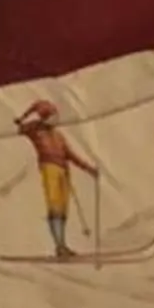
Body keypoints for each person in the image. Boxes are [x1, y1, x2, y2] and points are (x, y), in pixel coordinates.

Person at [16, 96, 100, 258]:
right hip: (50, 168)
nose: (57, 119)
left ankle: (62, 245)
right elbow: (22, 127)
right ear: (46, 117)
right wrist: (23, 118)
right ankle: (59, 246)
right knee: (54, 206)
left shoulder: (58, 136)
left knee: (62, 208)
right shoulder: (35, 129)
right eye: (53, 115)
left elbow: (71, 155)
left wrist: (89, 169)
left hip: (63, 171)